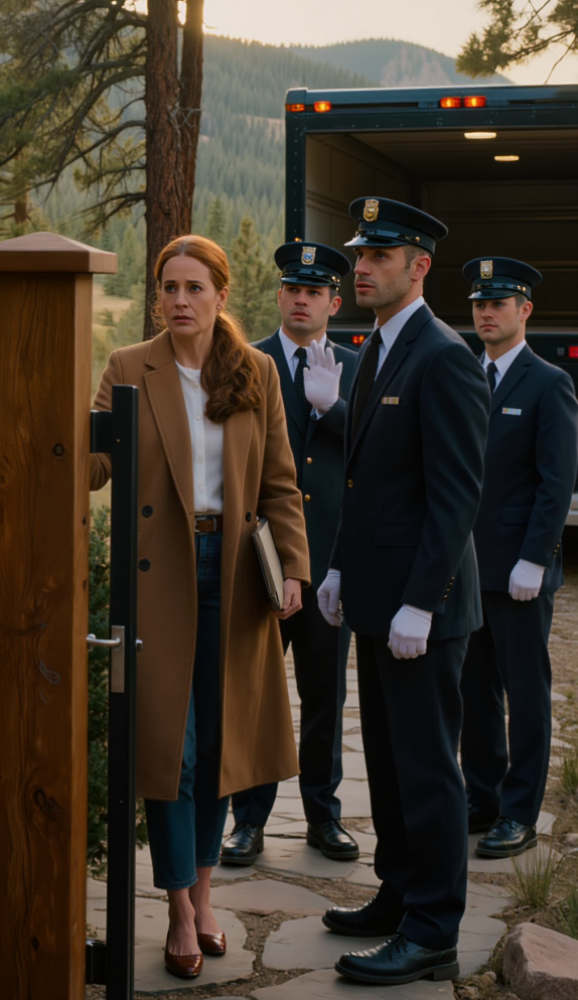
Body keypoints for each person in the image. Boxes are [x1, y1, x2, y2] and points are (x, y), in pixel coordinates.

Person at [90, 235, 310, 979]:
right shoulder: (128, 368)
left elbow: (280, 482)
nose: (179, 300)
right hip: (160, 576)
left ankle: (206, 896)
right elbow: (91, 464)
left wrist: (295, 570)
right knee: (171, 750)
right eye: (168, 287)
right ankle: (180, 908)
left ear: (221, 295)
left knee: (220, 749)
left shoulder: (256, 372)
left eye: (194, 287)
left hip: (239, 574)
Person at [316, 197, 489, 985]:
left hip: (423, 607)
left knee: (426, 770)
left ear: (418, 267)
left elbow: (455, 496)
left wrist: (423, 598)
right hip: (380, 599)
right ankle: (399, 891)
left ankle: (433, 931)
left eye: (379, 256)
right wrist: (343, 566)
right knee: (386, 763)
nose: (362, 266)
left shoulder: (443, 354)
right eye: (361, 253)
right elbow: (368, 481)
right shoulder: (378, 347)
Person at [221, 241, 359, 868]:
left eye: (315, 292)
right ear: (279, 297)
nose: (302, 300)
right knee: (253, 693)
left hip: (329, 559)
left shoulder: (358, 370)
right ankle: (247, 820)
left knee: (324, 694)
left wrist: (334, 412)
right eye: (292, 290)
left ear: (335, 301)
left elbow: (375, 453)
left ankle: (323, 816)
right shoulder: (246, 364)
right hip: (260, 559)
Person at [459, 257, 578, 858]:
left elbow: (557, 483)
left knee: (525, 695)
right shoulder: (463, 372)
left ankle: (520, 811)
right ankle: (481, 799)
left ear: (524, 310)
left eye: (498, 304)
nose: (485, 313)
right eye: (480, 304)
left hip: (519, 572)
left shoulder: (548, 382)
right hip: (468, 567)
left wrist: (537, 556)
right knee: (474, 693)